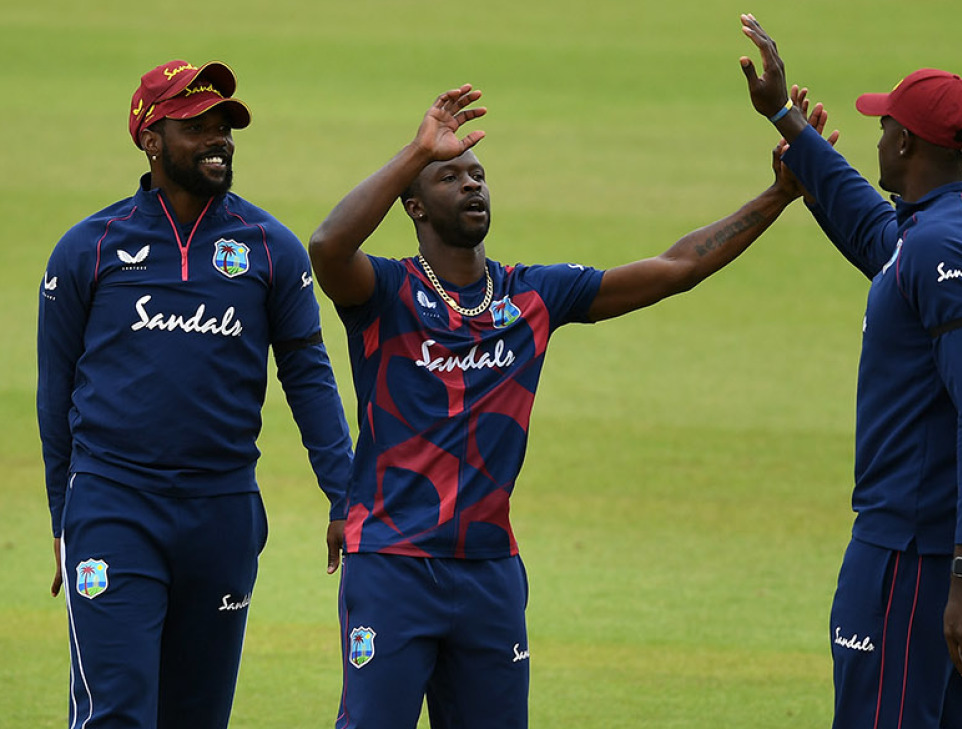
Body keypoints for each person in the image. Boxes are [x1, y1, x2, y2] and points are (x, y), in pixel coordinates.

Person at [308, 83, 819, 728]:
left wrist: (777, 195)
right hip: (392, 566)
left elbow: (675, 268)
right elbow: (328, 247)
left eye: (478, 175)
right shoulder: (386, 292)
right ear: (413, 205)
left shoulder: (533, 296)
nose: (471, 185)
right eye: (449, 177)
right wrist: (417, 152)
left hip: (489, 572)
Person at [36, 60, 354, 728]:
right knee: (115, 712)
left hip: (223, 511)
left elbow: (308, 374)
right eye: (197, 128)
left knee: (198, 716)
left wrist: (344, 495)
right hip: (114, 504)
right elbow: (55, 389)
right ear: (151, 140)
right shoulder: (89, 248)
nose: (219, 141)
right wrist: (64, 515)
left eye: (224, 127)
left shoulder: (270, 248)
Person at [738, 14, 962, 729]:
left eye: (883, 125)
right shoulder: (946, 227)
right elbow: (875, 229)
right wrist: (786, 121)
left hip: (918, 547)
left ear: (905, 143)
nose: (875, 136)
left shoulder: (941, 249)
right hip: (946, 540)